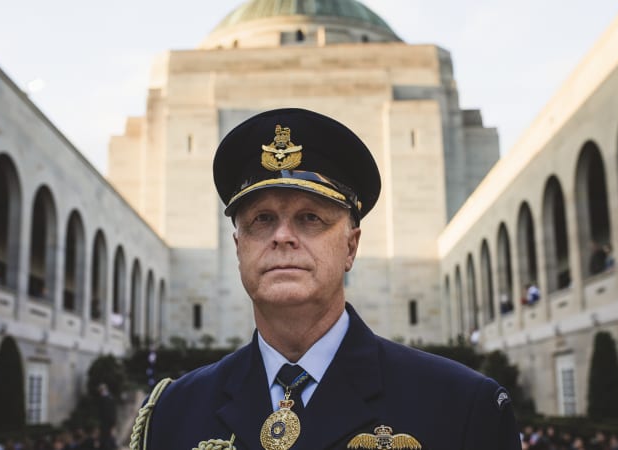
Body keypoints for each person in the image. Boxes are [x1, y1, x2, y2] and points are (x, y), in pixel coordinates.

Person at [131, 108, 521, 449]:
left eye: (310, 218)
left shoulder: (460, 406)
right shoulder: (174, 412)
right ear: (239, 248)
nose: (282, 236)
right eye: (261, 219)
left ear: (351, 247)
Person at [96, 384, 117, 450]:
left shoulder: (105, 399)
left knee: (106, 439)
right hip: (107, 422)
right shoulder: (110, 397)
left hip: (106, 423)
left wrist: (112, 423)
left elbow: (108, 412)